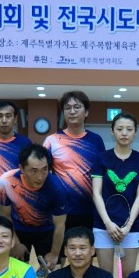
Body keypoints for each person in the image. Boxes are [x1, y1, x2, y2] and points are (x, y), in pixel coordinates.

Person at [90, 112, 139, 278]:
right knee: (105, 276)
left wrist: (128, 225)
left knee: (129, 275)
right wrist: (108, 223)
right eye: (120, 129)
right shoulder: (101, 158)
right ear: (112, 132)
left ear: (135, 133)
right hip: (103, 226)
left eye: (129, 129)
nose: (124, 133)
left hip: (130, 227)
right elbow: (96, 193)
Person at [0, 144, 68, 271]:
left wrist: (54, 253)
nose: (40, 177)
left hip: (47, 230)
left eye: (44, 170)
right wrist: (15, 243)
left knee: (54, 272)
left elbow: (60, 225)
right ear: (21, 168)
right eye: (34, 171)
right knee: (16, 272)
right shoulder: (5, 182)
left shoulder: (57, 188)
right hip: (18, 229)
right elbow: (4, 217)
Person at [42, 91, 106, 234]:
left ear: (86, 112)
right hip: (59, 209)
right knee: (60, 248)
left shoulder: (96, 140)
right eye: (67, 108)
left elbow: (102, 173)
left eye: (77, 107)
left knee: (85, 248)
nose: (72, 111)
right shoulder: (52, 140)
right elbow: (43, 174)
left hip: (89, 208)